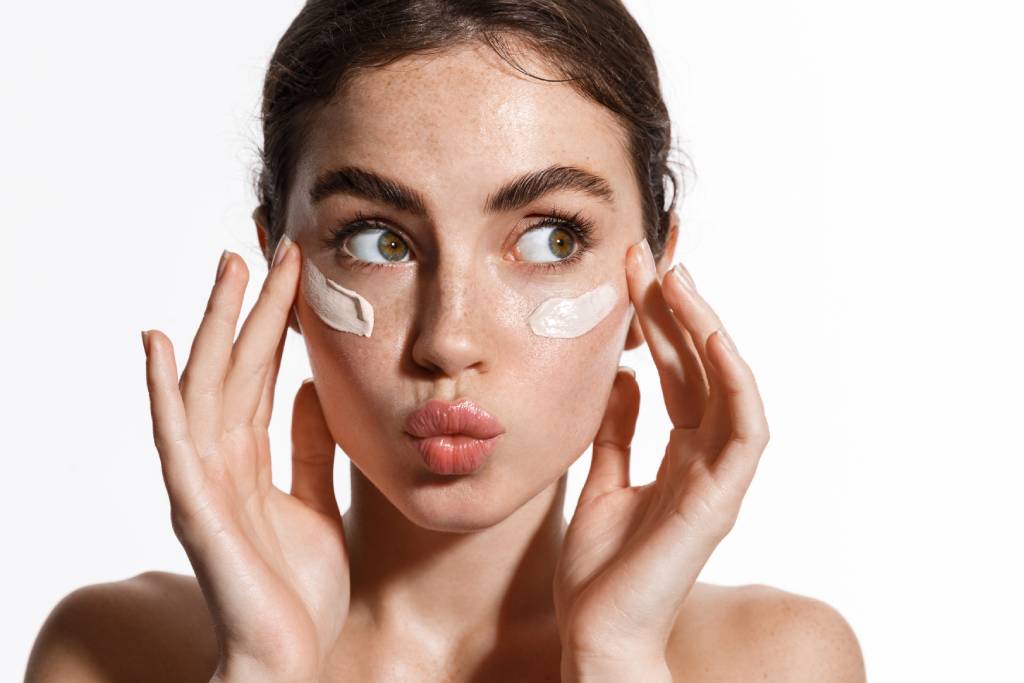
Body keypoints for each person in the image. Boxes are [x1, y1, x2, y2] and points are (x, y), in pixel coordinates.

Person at [25, 1, 865, 681]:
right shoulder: (114, 655)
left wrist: (617, 661)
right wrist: (263, 668)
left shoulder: (777, 662)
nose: (448, 338)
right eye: (377, 241)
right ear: (278, 265)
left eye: (551, 240)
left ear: (656, 277)